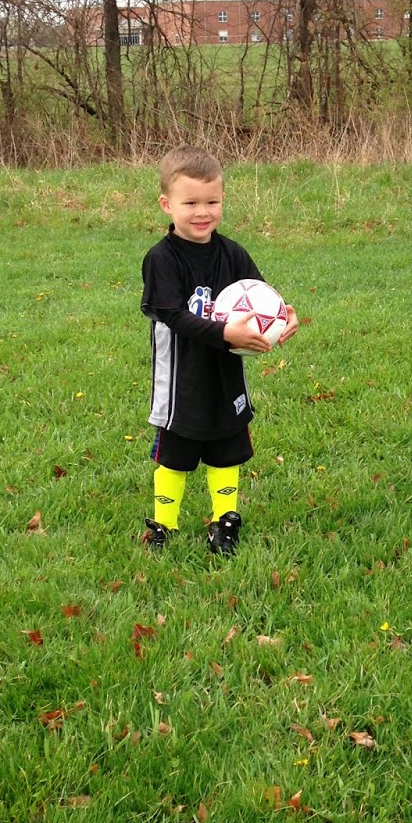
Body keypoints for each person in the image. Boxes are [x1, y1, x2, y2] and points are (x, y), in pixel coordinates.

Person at [140, 144, 297, 554]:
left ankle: (224, 521)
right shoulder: (162, 259)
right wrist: (226, 333)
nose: (202, 212)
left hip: (225, 375)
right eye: (190, 203)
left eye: (212, 202)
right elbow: (173, 315)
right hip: (181, 380)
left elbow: (262, 295)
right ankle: (163, 524)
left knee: (226, 450)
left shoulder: (232, 253)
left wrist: (284, 317)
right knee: (175, 455)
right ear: (167, 204)